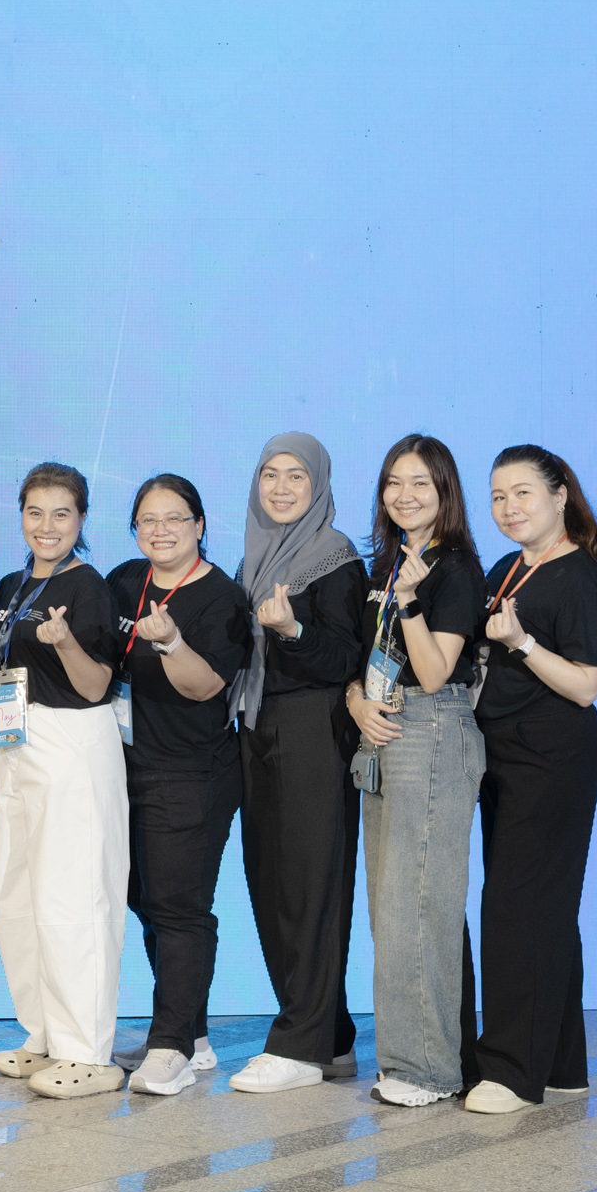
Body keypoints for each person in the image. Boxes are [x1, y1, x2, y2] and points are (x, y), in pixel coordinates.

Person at [460, 445, 597, 1114]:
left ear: (560, 495)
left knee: (518, 907)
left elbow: (585, 685)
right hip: (502, 754)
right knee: (545, 910)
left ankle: (513, 1073)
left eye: (523, 492)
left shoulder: (580, 577)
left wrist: (523, 645)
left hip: (552, 759)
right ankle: (560, 1064)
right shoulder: (508, 568)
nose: (508, 507)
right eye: (498, 496)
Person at [0, 462, 128, 1100]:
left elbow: (96, 686)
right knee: (14, 900)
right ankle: (43, 1036)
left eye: (61, 513)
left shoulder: (89, 587)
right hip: (13, 746)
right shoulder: (11, 585)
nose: (47, 526)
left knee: (73, 900)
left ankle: (87, 1052)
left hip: (71, 746)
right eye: (35, 512)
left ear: (81, 519)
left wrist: (63, 642)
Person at [343, 435, 486, 1108]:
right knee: (391, 910)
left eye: (420, 483)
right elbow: (360, 663)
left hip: (431, 728)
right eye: (393, 482)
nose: (404, 495)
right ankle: (407, 1059)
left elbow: (433, 671)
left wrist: (409, 602)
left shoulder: (454, 568)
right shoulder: (388, 562)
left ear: (445, 491)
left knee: (420, 907)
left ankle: (427, 1070)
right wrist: (356, 702)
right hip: (382, 730)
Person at [226, 432, 368, 1096]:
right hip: (257, 729)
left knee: (312, 886)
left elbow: (347, 657)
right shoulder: (252, 559)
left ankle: (299, 1044)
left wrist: (294, 632)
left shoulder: (335, 559)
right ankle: (329, 1033)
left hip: (315, 729)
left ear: (319, 486)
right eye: (269, 474)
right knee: (271, 884)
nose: (280, 488)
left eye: (296, 477)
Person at [105, 475, 252, 1096]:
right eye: (148, 520)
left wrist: (169, 641)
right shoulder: (122, 581)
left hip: (192, 773)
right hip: (123, 769)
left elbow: (205, 686)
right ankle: (190, 1033)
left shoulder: (222, 597)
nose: (160, 530)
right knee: (143, 899)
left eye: (174, 518)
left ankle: (170, 1047)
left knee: (179, 909)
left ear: (199, 525)